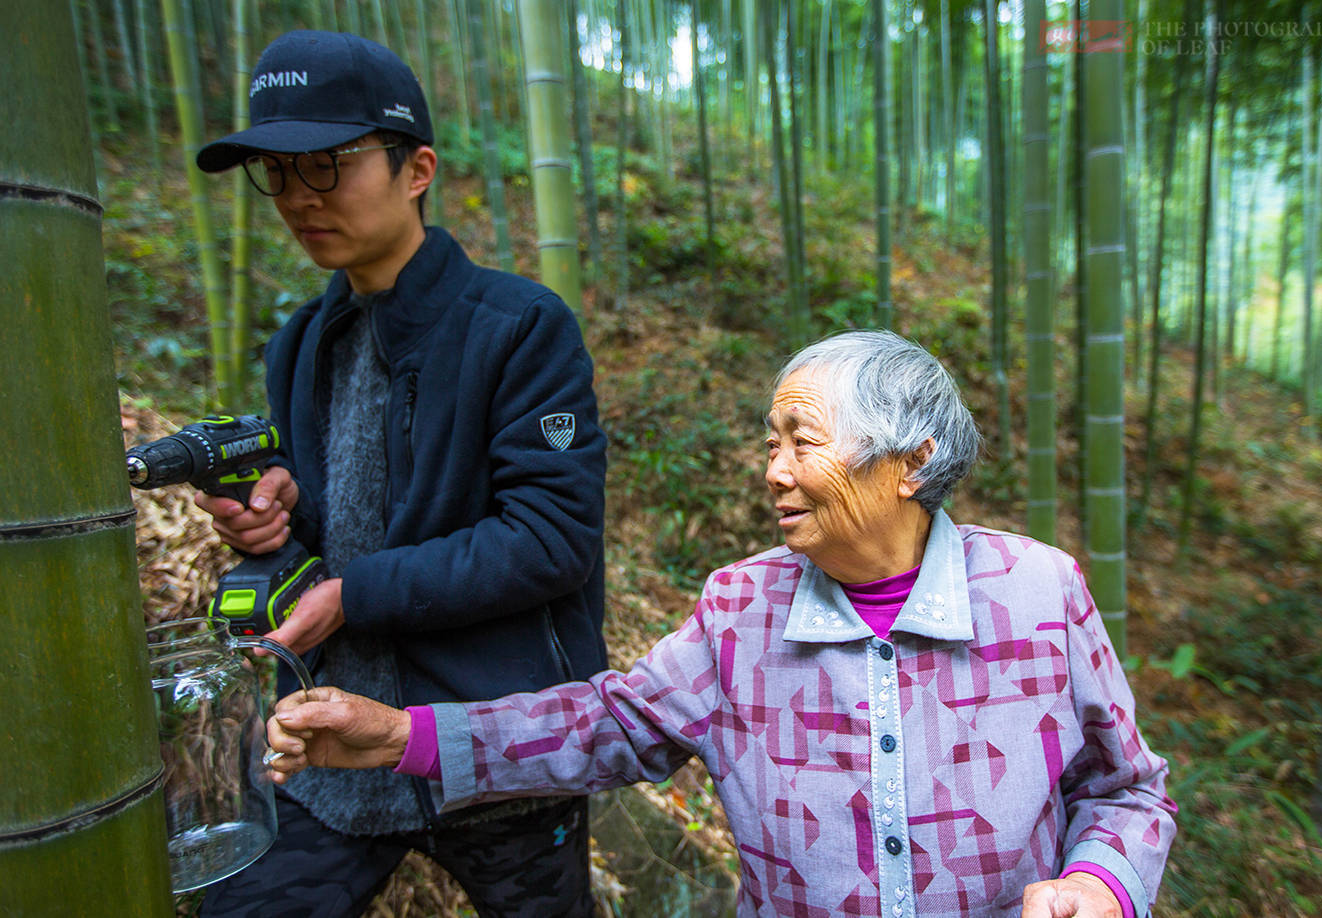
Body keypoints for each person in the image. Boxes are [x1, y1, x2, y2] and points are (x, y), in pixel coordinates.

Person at [265, 330, 1177, 918]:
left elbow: (1129, 791)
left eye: (802, 440)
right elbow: (607, 724)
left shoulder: (1037, 593)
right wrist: (401, 736)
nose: (773, 470)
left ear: (911, 462)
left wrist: (1100, 885)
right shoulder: (743, 610)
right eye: (770, 442)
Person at [190, 30, 607, 918]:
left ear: (416, 170)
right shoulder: (300, 343)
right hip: (332, 743)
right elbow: (328, 530)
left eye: (327, 165)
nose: (298, 197)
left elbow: (550, 539)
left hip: (492, 745)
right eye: (276, 172)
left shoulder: (519, 327)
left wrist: (353, 595)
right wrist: (276, 522)